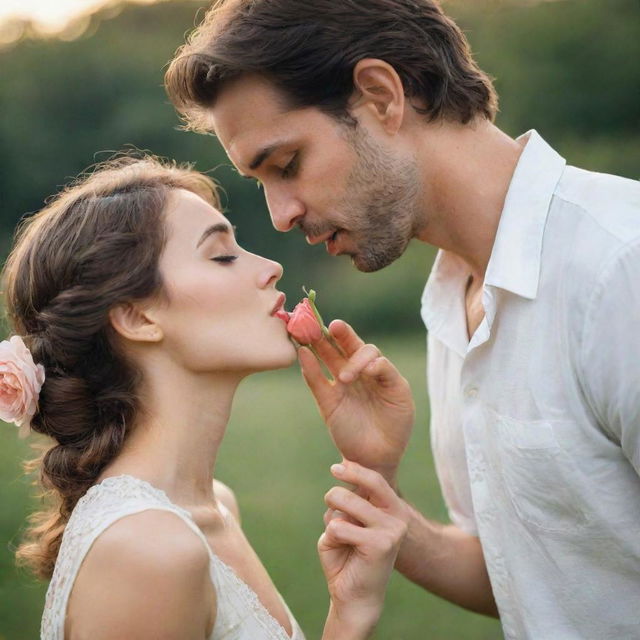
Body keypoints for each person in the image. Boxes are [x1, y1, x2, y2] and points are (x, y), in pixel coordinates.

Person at [164, 0, 640, 637]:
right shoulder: (448, 299)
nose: (279, 214)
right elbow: (533, 574)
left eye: (286, 165)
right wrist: (381, 497)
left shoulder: (619, 269)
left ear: (381, 96)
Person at [1, 155, 414, 639]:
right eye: (222, 255)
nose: (271, 267)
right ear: (137, 318)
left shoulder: (215, 507)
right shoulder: (147, 549)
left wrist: (350, 612)